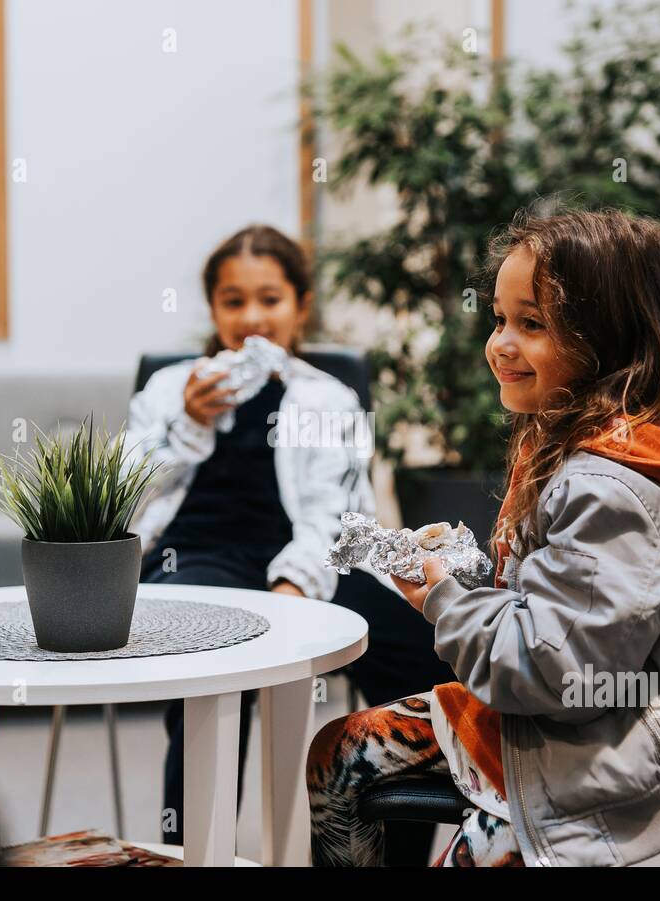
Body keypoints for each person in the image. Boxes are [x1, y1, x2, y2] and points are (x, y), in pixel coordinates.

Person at [307, 206, 660, 866]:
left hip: (629, 748)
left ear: (608, 342)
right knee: (339, 754)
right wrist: (456, 581)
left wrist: (446, 603)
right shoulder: (573, 445)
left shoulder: (607, 490)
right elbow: (552, 615)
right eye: (499, 318)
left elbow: (558, 679)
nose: (500, 343)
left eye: (533, 324)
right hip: (569, 716)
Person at [125, 224, 456, 864]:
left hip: (316, 560)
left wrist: (293, 590)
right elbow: (125, 494)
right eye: (233, 300)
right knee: (211, 658)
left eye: (270, 299)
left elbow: (334, 518)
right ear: (213, 307)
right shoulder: (172, 389)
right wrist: (188, 423)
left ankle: (388, 854)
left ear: (300, 305)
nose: (252, 318)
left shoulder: (327, 397)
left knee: (422, 649)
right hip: (199, 554)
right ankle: (194, 851)